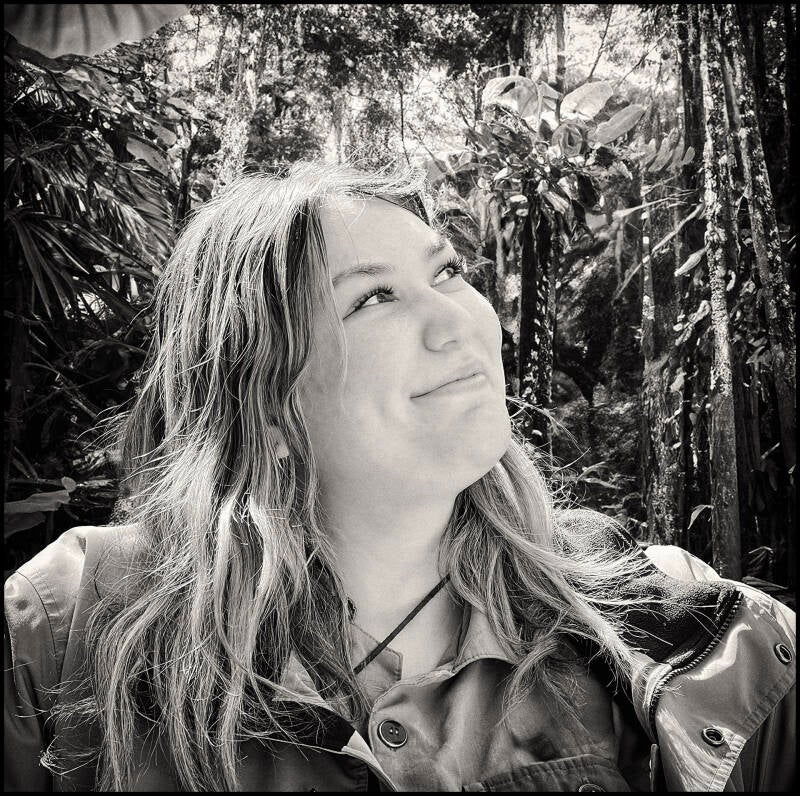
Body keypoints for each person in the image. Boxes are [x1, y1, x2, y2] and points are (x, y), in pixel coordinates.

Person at [4, 162, 795, 792]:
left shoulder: (688, 636)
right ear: (266, 404)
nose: (460, 321)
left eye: (447, 272)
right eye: (374, 297)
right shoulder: (67, 629)